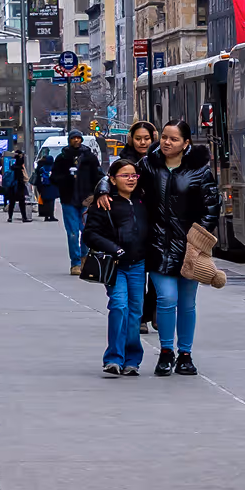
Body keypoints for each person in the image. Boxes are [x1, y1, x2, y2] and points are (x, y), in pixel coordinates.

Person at [100, 119, 218, 376]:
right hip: (157, 245)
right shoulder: (148, 165)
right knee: (166, 299)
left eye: (174, 139)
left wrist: (198, 239)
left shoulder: (199, 170)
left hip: (190, 248)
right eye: (164, 137)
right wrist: (102, 189)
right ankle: (166, 352)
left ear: (186, 143)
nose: (167, 142)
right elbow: (121, 176)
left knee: (187, 303)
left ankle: (185, 354)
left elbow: (211, 206)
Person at [83, 158, 151, 377]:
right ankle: (113, 358)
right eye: (125, 176)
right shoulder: (105, 203)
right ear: (112, 179)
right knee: (119, 307)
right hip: (116, 265)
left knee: (135, 313)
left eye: (134, 175)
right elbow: (90, 235)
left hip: (138, 265)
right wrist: (115, 249)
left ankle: (132, 360)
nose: (131, 179)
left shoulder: (142, 201)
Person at [118, 122, 159, 331]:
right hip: (133, 220)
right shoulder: (124, 160)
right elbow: (109, 180)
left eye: (146, 138)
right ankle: (141, 316)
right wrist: (102, 192)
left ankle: (154, 310)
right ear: (131, 139)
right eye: (138, 138)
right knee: (137, 272)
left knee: (157, 271)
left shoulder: (160, 159)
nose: (142, 142)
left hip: (158, 221)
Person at [53, 131, 103, 275]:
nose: (76, 140)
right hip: (68, 199)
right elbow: (54, 177)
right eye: (73, 138)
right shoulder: (62, 158)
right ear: (69, 140)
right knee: (73, 233)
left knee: (86, 230)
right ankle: (75, 263)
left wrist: (95, 193)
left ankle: (84, 258)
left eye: (78, 138)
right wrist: (66, 178)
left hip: (86, 199)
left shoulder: (89, 157)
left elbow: (98, 175)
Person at [3, 149, 31, 222]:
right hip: (19, 187)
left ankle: (10, 217)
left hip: (12, 187)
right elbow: (23, 179)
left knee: (12, 203)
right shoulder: (19, 168)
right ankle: (24, 217)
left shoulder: (12, 167)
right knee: (22, 202)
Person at [35, 151, 59, 221]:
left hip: (44, 186)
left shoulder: (42, 168)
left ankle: (46, 216)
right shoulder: (53, 168)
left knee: (45, 202)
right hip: (51, 186)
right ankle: (51, 216)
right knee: (51, 202)